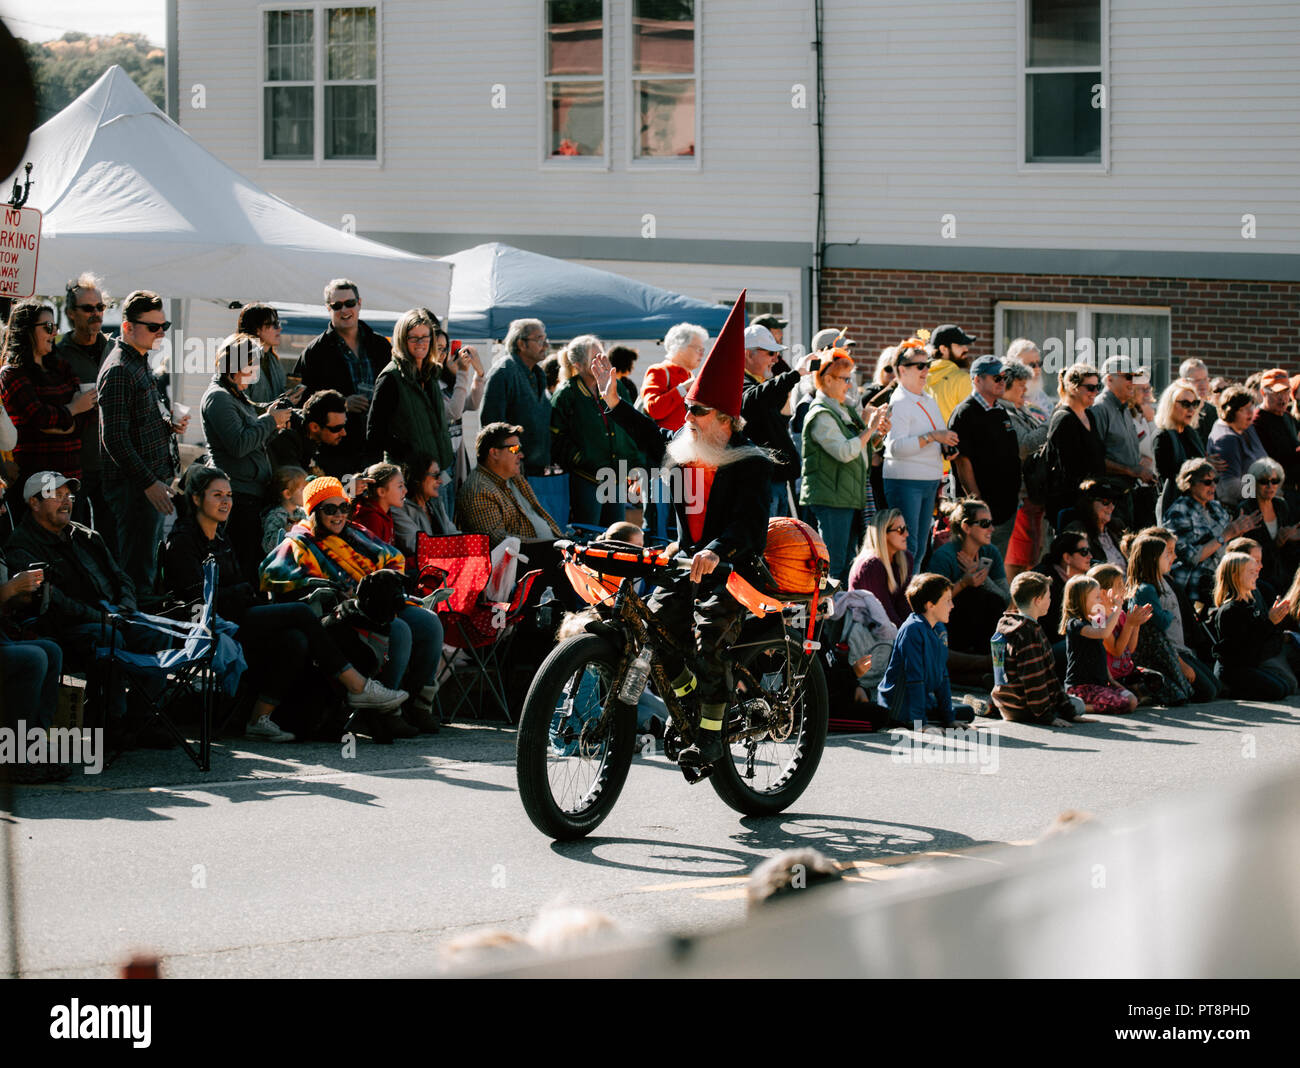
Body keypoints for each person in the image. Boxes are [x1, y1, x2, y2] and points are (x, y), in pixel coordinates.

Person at [593, 294, 773, 767]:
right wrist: (614, 402)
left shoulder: (750, 462)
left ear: (725, 420)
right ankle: (689, 699)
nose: (686, 418)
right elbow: (653, 437)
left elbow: (749, 525)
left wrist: (716, 550)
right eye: (688, 409)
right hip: (682, 561)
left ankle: (711, 735)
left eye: (697, 411)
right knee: (654, 628)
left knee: (707, 639)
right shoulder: (686, 445)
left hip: (734, 565)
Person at [162, 466, 410, 741]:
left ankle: (259, 719)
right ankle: (358, 686)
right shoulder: (183, 540)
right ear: (196, 499)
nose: (226, 501)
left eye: (229, 495)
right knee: (302, 612)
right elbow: (200, 596)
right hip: (210, 623)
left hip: (237, 613)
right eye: (217, 495)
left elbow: (239, 586)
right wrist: (239, 592)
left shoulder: (221, 537)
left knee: (297, 638)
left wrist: (238, 591)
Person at [260, 476, 445, 735]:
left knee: (429, 623)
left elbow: (392, 558)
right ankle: (385, 711)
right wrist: (337, 588)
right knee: (398, 628)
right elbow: (275, 577)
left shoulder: (356, 533)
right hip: (339, 613)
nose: (338, 515)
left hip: (374, 600)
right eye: (329, 509)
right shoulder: (301, 541)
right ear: (314, 512)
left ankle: (419, 705)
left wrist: (379, 585)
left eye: (343, 507)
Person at [96, 290, 185, 592]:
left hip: (147, 486)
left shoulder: (139, 359)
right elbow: (114, 438)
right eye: (153, 326)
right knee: (136, 574)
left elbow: (137, 421)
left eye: (164, 326)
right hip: (134, 491)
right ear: (127, 327)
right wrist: (148, 483)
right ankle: (137, 635)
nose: (160, 332)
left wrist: (167, 426)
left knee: (145, 567)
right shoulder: (120, 368)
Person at [200, 333, 293, 580]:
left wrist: (276, 425)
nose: (255, 370)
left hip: (252, 493)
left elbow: (253, 441)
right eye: (251, 363)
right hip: (238, 496)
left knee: (253, 562)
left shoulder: (236, 396)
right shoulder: (218, 397)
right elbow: (239, 445)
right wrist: (270, 420)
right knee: (243, 561)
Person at [800, 351, 887, 583]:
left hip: (847, 496)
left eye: (851, 378)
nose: (850, 385)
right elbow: (845, 451)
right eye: (845, 379)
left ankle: (839, 615)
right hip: (831, 499)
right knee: (833, 565)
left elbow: (862, 446)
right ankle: (825, 618)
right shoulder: (821, 414)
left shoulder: (844, 409)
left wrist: (877, 435)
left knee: (848, 562)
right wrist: (870, 429)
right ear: (827, 380)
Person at [292, 279, 389, 474]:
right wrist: (342, 404)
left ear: (359, 303)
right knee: (344, 503)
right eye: (337, 306)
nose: (344, 310)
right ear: (328, 308)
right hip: (337, 455)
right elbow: (300, 401)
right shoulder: (315, 352)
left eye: (350, 303)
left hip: (378, 448)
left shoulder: (381, 345)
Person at [0, 298, 94, 488]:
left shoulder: (60, 366)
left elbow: (87, 415)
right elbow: (39, 418)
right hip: (36, 482)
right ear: (27, 330)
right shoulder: (12, 373)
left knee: (75, 519)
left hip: (71, 478)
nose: (55, 332)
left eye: (55, 326)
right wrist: (73, 408)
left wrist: (60, 418)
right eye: (48, 326)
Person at [548, 335, 639, 527]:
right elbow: (555, 437)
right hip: (586, 477)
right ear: (579, 365)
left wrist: (634, 463)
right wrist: (581, 458)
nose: (602, 362)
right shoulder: (567, 393)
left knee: (617, 535)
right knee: (590, 533)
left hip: (616, 477)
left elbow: (632, 424)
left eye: (602, 356)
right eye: (595, 358)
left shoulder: (617, 386)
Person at [54, 274, 114, 539]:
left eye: (100, 307)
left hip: (111, 465)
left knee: (113, 540)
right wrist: (73, 406)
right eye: (88, 308)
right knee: (74, 537)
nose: (96, 314)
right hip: (72, 466)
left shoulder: (115, 350)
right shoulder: (57, 354)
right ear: (70, 313)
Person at [876, 572, 976, 731]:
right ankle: (913, 720)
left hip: (923, 698)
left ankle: (930, 717)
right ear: (930, 605)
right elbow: (914, 679)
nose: (952, 605)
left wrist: (950, 720)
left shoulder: (939, 628)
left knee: (967, 713)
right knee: (945, 718)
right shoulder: (913, 630)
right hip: (901, 704)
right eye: (948, 601)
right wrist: (921, 724)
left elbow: (942, 676)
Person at [882, 338, 952, 564]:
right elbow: (895, 447)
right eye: (919, 366)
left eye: (927, 365)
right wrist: (932, 437)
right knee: (907, 547)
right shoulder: (900, 401)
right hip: (906, 481)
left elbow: (938, 433)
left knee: (920, 546)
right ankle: (901, 596)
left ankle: (909, 594)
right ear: (902, 369)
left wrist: (946, 444)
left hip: (929, 480)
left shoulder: (927, 399)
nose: (926, 370)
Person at [1127, 533, 1219, 702]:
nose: (1172, 558)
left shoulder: (1164, 581)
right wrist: (1181, 664)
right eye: (1166, 555)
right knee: (1207, 692)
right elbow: (1160, 624)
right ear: (1154, 559)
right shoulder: (1146, 589)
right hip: (1168, 652)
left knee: (1215, 687)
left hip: (1180, 648)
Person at [990, 572, 1087, 726]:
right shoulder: (1029, 634)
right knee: (1079, 704)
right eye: (1048, 597)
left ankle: (993, 708)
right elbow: (1034, 679)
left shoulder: (1008, 623)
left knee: (1073, 705)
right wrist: (1048, 717)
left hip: (1005, 702)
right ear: (1038, 600)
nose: (1050, 600)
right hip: (1024, 708)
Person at [948, 354, 1021, 555]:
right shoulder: (965, 413)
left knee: (994, 564)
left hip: (1005, 508)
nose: (1002, 382)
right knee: (974, 565)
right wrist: (977, 504)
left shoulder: (1000, 411)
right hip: (980, 513)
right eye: (996, 378)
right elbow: (963, 462)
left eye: (1003, 377)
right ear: (977, 380)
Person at [367, 308, 454, 478]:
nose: (421, 342)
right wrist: (410, 456)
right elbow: (375, 433)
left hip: (436, 473)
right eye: (414, 337)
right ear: (402, 340)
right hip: (406, 477)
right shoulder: (391, 378)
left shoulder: (431, 374)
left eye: (425, 337)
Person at [1164, 458, 1261, 605]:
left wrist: (1238, 532)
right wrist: (1226, 535)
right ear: (1190, 484)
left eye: (1215, 481)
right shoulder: (1179, 511)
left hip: (1220, 571)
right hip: (1194, 577)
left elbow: (1227, 544)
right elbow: (1191, 558)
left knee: (1259, 589)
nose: (1213, 486)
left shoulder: (1215, 507)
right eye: (1207, 482)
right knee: (1239, 593)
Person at [926, 497, 1009, 662]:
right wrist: (963, 583)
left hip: (982, 628)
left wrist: (982, 579)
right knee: (975, 596)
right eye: (985, 524)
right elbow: (931, 606)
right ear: (966, 527)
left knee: (990, 599)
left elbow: (1005, 599)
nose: (991, 529)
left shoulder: (990, 552)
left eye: (991, 523)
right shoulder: (944, 557)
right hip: (950, 627)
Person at [457, 422, 563, 549]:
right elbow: (499, 543)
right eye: (515, 449)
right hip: (529, 561)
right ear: (494, 453)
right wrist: (551, 545)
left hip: (552, 549)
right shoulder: (478, 490)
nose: (521, 455)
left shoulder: (514, 477)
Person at [1209, 552, 1297, 699]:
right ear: (1236, 575)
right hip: (1234, 668)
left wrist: (1275, 619)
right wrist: (1270, 622)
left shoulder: (1251, 603)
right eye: (1251, 572)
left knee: (1285, 686)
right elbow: (1243, 647)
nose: (1256, 576)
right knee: (1278, 691)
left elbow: (1260, 637)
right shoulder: (1229, 610)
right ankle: (1227, 688)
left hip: (1249, 664)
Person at [740, 323, 804, 517]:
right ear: (748, 354)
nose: (776, 359)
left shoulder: (760, 385)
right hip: (762, 483)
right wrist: (795, 374)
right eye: (770, 353)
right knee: (765, 544)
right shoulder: (740, 383)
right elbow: (751, 399)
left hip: (775, 481)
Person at [480, 317, 553, 482]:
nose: (546, 345)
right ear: (521, 344)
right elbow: (492, 427)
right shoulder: (503, 372)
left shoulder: (537, 374)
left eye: (545, 339)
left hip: (535, 471)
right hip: (511, 472)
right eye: (540, 339)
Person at [999, 356, 1051, 579]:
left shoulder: (1023, 410)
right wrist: (1054, 421)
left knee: (1032, 557)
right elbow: (1025, 445)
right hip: (1018, 497)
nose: (1025, 390)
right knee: (1017, 560)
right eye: (1020, 385)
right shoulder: (1004, 412)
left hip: (1033, 497)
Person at [1087, 562, 1167, 705]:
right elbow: (1116, 650)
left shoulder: (1121, 614)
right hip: (1111, 677)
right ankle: (1127, 696)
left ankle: (1134, 695)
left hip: (1126, 671)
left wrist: (1135, 625)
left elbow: (1129, 649)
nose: (1124, 589)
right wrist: (1130, 624)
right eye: (1119, 586)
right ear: (1104, 593)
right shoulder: (1097, 618)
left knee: (1157, 679)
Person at [1060, 574, 1139, 714]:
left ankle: (1079, 704)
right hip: (1081, 686)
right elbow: (1103, 633)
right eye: (1096, 597)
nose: (1100, 600)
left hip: (1099, 683)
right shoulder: (1075, 624)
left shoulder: (1096, 618)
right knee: (1124, 703)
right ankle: (1074, 706)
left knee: (1132, 700)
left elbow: (1101, 648)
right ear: (1081, 599)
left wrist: (1110, 679)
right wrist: (1117, 608)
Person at [1089, 356, 1153, 527]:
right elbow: (1093, 459)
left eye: (1136, 377)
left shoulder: (1125, 409)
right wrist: (1130, 470)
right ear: (1109, 379)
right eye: (1128, 377)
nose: (1133, 382)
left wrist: (1140, 467)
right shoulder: (1099, 409)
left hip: (1127, 493)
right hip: (1107, 497)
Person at [1043, 362, 1106, 529]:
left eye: (1098, 386)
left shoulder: (1089, 415)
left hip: (1091, 500)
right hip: (1069, 502)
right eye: (1090, 388)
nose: (1096, 392)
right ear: (1073, 388)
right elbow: (1068, 469)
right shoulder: (1064, 419)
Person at [1235, 456, 1300, 593]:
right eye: (1264, 481)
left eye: (1274, 481)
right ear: (1254, 483)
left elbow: (1289, 545)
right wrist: (1276, 543)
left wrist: (1291, 539)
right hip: (1259, 575)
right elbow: (1247, 549)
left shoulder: (1281, 505)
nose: (1270, 486)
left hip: (1284, 570)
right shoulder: (1246, 509)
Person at [434, 329, 486, 495]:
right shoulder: (431, 384)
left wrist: (479, 374)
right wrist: (463, 372)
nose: (443, 354)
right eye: (438, 348)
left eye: (445, 349)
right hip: (441, 460)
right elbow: (454, 412)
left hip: (456, 457)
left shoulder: (448, 383)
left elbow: (472, 404)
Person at [1153, 377, 1209, 521]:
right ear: (1170, 405)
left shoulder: (1192, 434)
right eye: (1185, 404)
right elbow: (1169, 477)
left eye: (1194, 403)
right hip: (1176, 508)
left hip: (1198, 506)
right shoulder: (1163, 436)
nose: (1191, 409)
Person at [848, 508, 913, 627]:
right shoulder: (870, 566)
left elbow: (904, 605)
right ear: (883, 533)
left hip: (890, 629)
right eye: (900, 530)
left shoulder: (905, 558)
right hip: (869, 634)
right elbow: (883, 614)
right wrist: (907, 636)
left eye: (906, 528)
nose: (906, 534)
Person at [1207, 385, 1268, 509]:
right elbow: (1230, 488)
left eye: (1251, 406)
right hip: (1240, 510)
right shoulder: (1226, 439)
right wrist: (1264, 489)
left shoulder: (1246, 426)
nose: (1251, 412)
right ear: (1230, 411)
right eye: (1243, 409)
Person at [267, 388, 350, 478]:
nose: (343, 433)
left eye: (343, 425)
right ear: (314, 427)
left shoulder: (325, 438)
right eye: (337, 428)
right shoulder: (287, 441)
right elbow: (296, 485)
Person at [641, 323, 706, 433]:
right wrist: (683, 388)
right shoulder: (659, 370)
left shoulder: (690, 375)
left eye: (702, 350)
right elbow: (653, 409)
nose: (701, 354)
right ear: (680, 347)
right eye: (698, 349)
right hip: (665, 446)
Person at [392, 452, 458, 558]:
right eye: (436, 475)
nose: (440, 481)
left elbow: (454, 534)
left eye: (440, 475)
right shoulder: (400, 510)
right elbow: (416, 545)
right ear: (418, 478)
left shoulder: (435, 505)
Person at [236, 303, 302, 407]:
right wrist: (273, 408)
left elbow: (277, 396)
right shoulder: (241, 361)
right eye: (274, 324)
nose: (279, 328)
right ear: (257, 329)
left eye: (278, 323)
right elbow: (238, 405)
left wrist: (292, 390)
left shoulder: (273, 359)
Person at [1251, 368, 1300, 494]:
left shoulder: (1287, 417)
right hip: (1272, 490)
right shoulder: (1257, 421)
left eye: (1286, 392)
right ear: (1263, 392)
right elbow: (1272, 461)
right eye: (1277, 393)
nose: (1283, 398)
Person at [1065, 479, 1128, 570]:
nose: (1111, 507)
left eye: (1113, 502)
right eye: (1105, 501)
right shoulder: (1077, 531)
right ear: (1089, 503)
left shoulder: (1117, 528)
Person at [924, 324, 977, 424]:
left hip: (925, 439)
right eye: (960, 345)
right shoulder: (963, 380)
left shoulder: (920, 378)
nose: (966, 349)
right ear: (943, 349)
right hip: (954, 439)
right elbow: (972, 422)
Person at [350, 462, 405, 548]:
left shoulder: (384, 513)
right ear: (381, 492)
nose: (405, 490)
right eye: (400, 486)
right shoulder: (372, 519)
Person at [261, 465, 308, 554]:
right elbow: (267, 546)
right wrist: (286, 531)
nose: (307, 493)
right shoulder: (275, 515)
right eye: (303, 490)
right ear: (287, 494)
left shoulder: (302, 512)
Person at [1180, 358, 1219, 444]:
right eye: (1197, 380)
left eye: (1205, 379)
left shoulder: (1214, 412)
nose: (1203, 385)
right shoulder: (1178, 411)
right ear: (1184, 382)